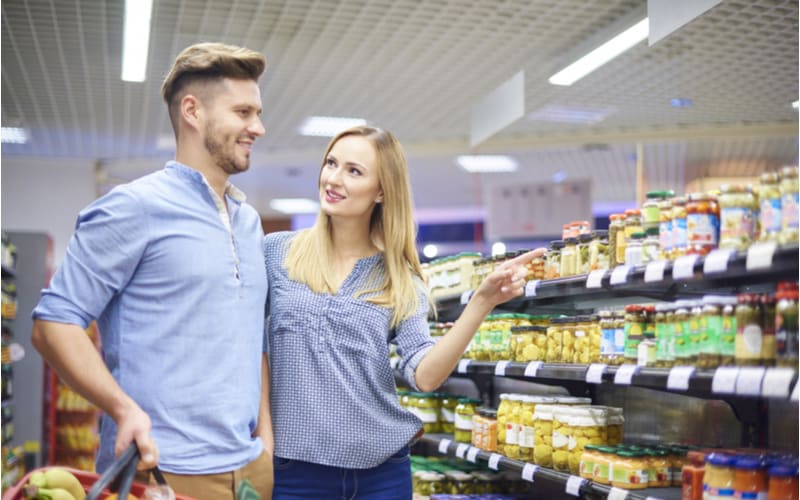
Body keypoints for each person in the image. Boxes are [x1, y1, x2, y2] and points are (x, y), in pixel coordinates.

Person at [31, 42, 273, 499]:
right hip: (160, 470)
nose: (257, 127)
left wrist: (265, 440)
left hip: (249, 470)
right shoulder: (133, 208)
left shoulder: (248, 220)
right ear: (192, 111)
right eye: (243, 112)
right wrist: (122, 409)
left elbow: (251, 337)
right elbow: (53, 325)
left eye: (257, 112)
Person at [263, 125, 545, 499]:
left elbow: (425, 377)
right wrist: (262, 440)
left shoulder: (399, 276)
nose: (333, 178)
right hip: (295, 472)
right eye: (331, 163)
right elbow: (251, 350)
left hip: (381, 475)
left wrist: (481, 303)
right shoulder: (276, 253)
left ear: (381, 191)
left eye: (354, 171)